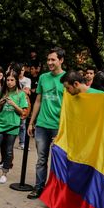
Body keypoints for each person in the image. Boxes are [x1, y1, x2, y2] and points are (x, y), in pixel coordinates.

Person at [26, 47, 66, 199]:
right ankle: (39, 187)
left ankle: (54, 192)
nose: (49, 62)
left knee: (57, 161)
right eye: (48, 59)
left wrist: (64, 128)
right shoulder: (43, 77)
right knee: (41, 159)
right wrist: (31, 122)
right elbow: (38, 100)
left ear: (61, 60)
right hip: (42, 125)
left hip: (58, 126)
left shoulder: (67, 78)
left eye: (53, 60)